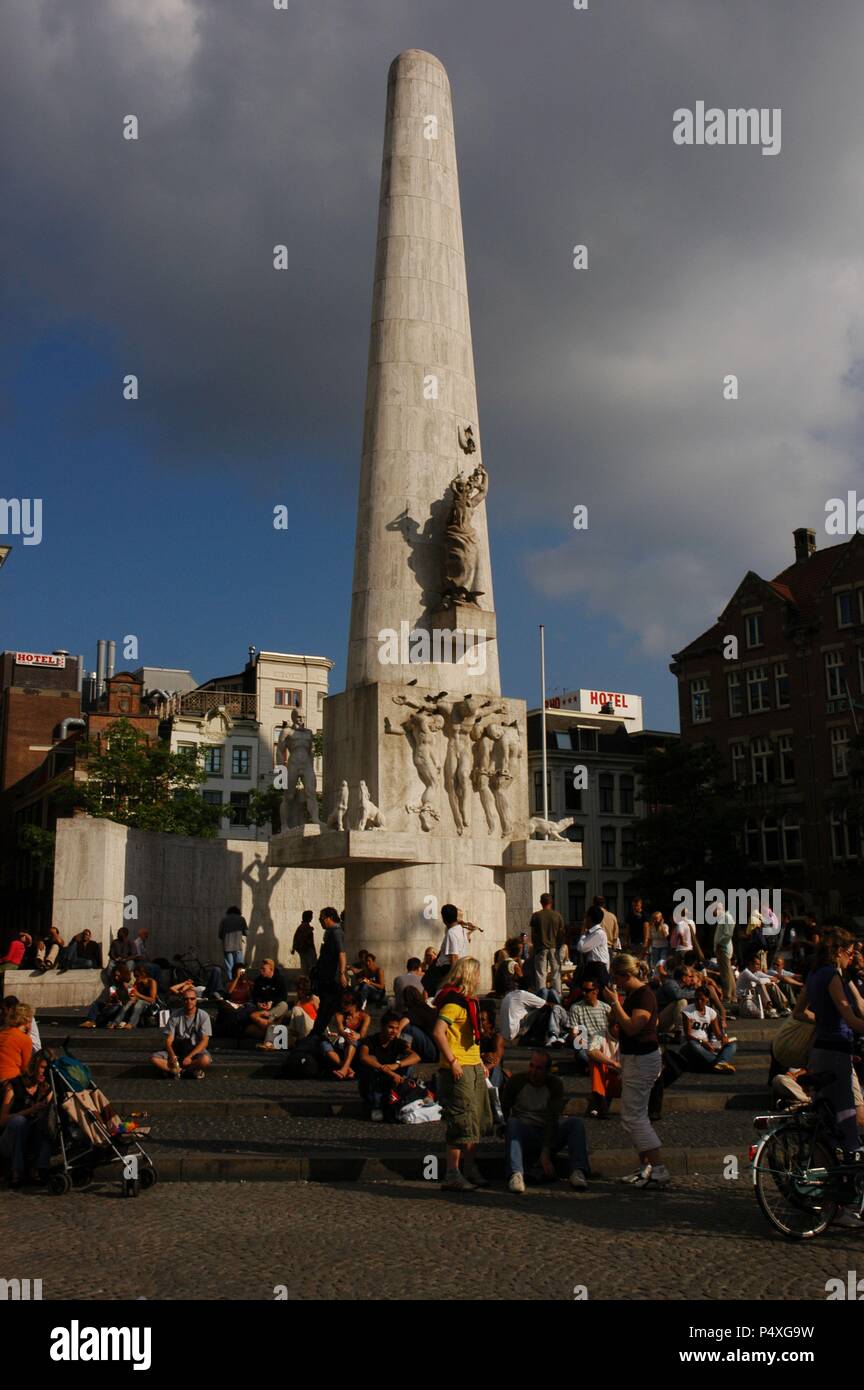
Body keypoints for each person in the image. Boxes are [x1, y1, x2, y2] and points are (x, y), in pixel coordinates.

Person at [602, 955, 670, 1188]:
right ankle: (645, 1167)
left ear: (625, 975)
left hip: (642, 1059)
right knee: (633, 1116)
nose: (614, 981)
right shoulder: (635, 995)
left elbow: (633, 1027)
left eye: (616, 977)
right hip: (635, 1058)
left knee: (635, 1117)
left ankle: (659, 1168)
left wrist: (614, 1003)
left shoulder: (644, 995)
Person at [433, 957, 492, 1191]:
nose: (480, 978)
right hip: (458, 1068)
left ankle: (469, 1168)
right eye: (477, 973)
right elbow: (438, 1032)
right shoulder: (454, 1003)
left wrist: (479, 1062)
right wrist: (453, 1061)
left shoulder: (470, 1001)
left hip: (473, 1065)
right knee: (460, 1121)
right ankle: (452, 1173)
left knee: (474, 1121)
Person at [805, 930, 864, 1157]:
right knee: (845, 1109)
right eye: (849, 953)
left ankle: (824, 1172)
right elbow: (849, 1018)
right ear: (838, 952)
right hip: (836, 1050)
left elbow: (800, 1012)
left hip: (819, 1050)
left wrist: (822, 1019)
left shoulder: (813, 974)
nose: (850, 958)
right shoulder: (832, 975)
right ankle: (852, 1165)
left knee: (825, 1114)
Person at [502, 1050, 590, 1192]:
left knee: (576, 1123)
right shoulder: (517, 1082)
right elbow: (504, 1108)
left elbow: (552, 1118)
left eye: (539, 1068)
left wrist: (546, 1152)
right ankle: (515, 1173)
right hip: (524, 1132)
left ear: (547, 1071)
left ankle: (578, 1171)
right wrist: (503, 1129)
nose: (533, 1071)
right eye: (531, 1066)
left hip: (547, 1132)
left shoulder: (554, 1085)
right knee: (513, 1123)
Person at [0, 1050, 54, 1187]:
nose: (44, 1072)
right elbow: (3, 1119)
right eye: (42, 1067)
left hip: (32, 1136)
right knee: (19, 1122)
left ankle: (37, 1170)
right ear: (34, 1066)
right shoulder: (15, 1085)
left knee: (47, 1121)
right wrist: (30, 1110)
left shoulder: (46, 1087)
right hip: (9, 1139)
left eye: (47, 1069)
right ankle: (16, 1172)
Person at [356, 1010, 420, 1121]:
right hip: (373, 1083)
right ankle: (376, 1106)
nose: (394, 1031)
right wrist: (388, 1071)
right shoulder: (370, 1041)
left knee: (408, 1065)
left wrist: (397, 1065)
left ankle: (399, 1098)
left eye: (396, 1028)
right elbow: (364, 1057)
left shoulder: (397, 1042)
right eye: (391, 1027)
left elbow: (416, 1057)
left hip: (390, 1081)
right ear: (382, 1027)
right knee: (372, 1062)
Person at [150, 986, 212, 1079]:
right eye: (186, 999)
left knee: (205, 1060)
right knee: (153, 1058)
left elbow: (205, 1041)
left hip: (195, 1050)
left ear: (196, 1000)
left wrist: (190, 1057)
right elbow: (169, 1039)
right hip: (177, 1049)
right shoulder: (175, 1015)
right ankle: (185, 1071)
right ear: (182, 1001)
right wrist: (171, 1055)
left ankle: (175, 1071)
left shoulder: (203, 1015)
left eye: (192, 999)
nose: (189, 1001)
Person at [680, 986, 737, 1072]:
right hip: (694, 1044)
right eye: (696, 999)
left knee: (732, 1045)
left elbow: (717, 1034)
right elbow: (688, 1036)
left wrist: (722, 1039)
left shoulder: (711, 1012)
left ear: (707, 1000)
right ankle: (718, 1062)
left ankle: (719, 1063)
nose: (699, 1002)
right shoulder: (687, 1011)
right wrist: (702, 1043)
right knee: (693, 1044)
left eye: (702, 999)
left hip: (708, 1044)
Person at [311, 907, 347, 1036]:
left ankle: (317, 1035)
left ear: (329, 918)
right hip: (326, 978)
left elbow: (341, 954)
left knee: (327, 1008)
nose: (320, 921)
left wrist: (342, 974)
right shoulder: (329, 932)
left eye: (321, 918)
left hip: (333, 979)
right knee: (325, 1009)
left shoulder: (335, 932)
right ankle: (317, 1034)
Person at [319, 992, 370, 1078]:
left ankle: (343, 1070)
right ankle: (348, 1069)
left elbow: (363, 1034)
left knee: (352, 1041)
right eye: (342, 1002)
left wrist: (357, 1035)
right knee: (324, 1044)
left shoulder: (365, 1016)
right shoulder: (340, 1014)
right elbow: (340, 1029)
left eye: (346, 1003)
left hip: (356, 1045)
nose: (343, 1005)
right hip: (341, 1043)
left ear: (355, 1004)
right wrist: (346, 1034)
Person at [498, 987, 568, 1047]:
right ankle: (558, 1033)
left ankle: (557, 1033)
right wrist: (559, 1007)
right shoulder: (523, 995)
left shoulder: (509, 995)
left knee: (547, 992)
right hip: (516, 1034)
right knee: (548, 996)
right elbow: (547, 1005)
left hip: (507, 1034)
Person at [567, 979, 611, 1072]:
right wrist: (585, 1045)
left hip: (603, 1044)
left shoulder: (606, 1008)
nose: (583, 993)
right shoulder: (576, 1008)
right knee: (581, 1053)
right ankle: (603, 1065)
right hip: (586, 1045)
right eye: (582, 990)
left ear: (596, 991)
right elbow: (573, 1034)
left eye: (587, 990)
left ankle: (596, 1065)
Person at [529, 893, 566, 999]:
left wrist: (536, 947)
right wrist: (559, 946)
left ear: (541, 902)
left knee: (541, 974)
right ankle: (558, 996)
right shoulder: (557, 915)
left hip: (541, 948)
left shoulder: (536, 915)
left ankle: (541, 998)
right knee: (556, 974)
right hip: (555, 948)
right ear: (551, 902)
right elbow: (562, 933)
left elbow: (533, 934)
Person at [246, 959, 289, 1046]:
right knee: (249, 1029)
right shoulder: (258, 980)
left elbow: (283, 996)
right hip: (262, 1009)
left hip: (274, 1009)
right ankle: (270, 1025)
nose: (261, 971)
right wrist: (259, 1003)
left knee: (284, 1005)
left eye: (263, 969)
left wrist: (272, 1003)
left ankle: (268, 1021)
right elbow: (255, 996)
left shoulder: (279, 979)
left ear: (271, 969)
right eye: (260, 968)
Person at [79, 964, 133, 1028]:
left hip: (123, 1009)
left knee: (116, 1007)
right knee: (97, 1004)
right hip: (114, 1006)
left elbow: (132, 1000)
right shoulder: (113, 986)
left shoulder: (129, 986)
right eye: (115, 975)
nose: (116, 978)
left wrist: (124, 1000)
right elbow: (112, 997)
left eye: (118, 976)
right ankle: (90, 1021)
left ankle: (97, 1022)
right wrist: (110, 1001)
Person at [109, 963, 158, 1030]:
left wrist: (138, 994)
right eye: (135, 976)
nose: (136, 978)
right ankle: (115, 1022)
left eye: (137, 976)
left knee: (140, 1002)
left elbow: (152, 999)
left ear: (143, 974)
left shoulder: (151, 982)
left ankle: (131, 1024)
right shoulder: (137, 983)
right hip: (139, 1003)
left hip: (150, 1005)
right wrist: (130, 995)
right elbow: (133, 996)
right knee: (129, 1003)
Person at [398, 986, 439, 1063]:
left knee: (407, 1028)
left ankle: (406, 1051)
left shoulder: (413, 1011)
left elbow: (399, 1027)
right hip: (440, 1051)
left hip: (433, 1052)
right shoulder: (429, 1008)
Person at [575, 905, 610, 989]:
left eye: (586, 917)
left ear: (589, 918)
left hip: (597, 968)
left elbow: (581, 948)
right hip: (594, 967)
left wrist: (583, 933)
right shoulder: (592, 933)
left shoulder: (598, 933)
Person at [709, 899, 736, 1007]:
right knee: (728, 973)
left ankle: (727, 997)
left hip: (723, 949)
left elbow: (728, 934)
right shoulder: (723, 918)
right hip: (722, 948)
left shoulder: (726, 918)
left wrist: (719, 944)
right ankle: (733, 996)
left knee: (725, 974)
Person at [0, 1004, 34, 1082]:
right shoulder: (25, 1039)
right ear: (27, 1020)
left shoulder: (2, 1033)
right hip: (11, 1080)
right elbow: (25, 1066)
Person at [218, 906, 248, 984]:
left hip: (227, 947)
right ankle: (241, 982)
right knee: (240, 966)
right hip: (238, 947)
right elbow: (246, 933)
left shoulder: (224, 920)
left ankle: (231, 982)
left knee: (229, 966)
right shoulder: (241, 919)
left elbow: (220, 934)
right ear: (238, 912)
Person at [291, 911, 317, 977]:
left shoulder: (300, 927)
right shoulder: (306, 927)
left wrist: (294, 948)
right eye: (311, 916)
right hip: (308, 950)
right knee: (312, 969)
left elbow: (295, 937)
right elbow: (306, 938)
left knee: (305, 969)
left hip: (303, 951)